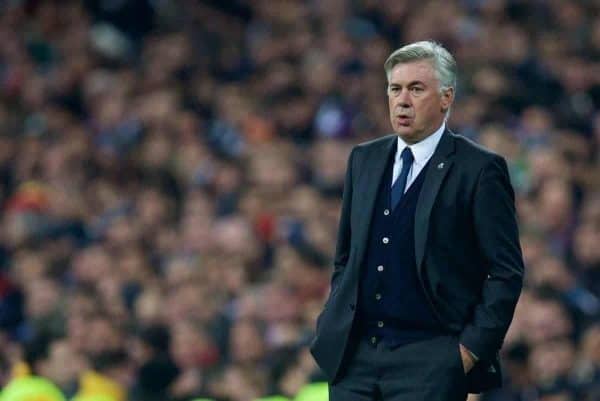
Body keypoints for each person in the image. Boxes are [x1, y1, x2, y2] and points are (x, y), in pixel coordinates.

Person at [309, 41, 525, 401]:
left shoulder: (479, 169)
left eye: (416, 89)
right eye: (395, 88)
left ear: (446, 98)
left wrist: (468, 351)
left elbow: (505, 271)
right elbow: (346, 256)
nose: (402, 100)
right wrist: (332, 318)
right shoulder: (363, 159)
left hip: (430, 360)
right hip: (354, 359)